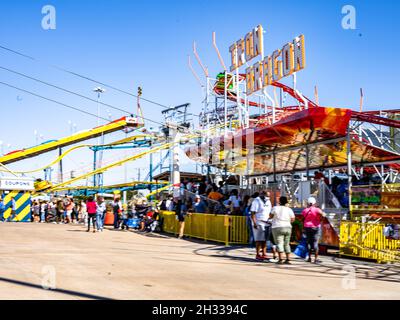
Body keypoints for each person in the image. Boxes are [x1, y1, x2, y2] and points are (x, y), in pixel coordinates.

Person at [270, 196, 295, 264]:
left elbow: (270, 216)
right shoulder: (289, 209)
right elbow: (293, 219)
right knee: (287, 244)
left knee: (279, 243)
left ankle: (281, 259)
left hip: (277, 227)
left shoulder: (275, 208)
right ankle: (288, 259)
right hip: (288, 227)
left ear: (279, 201)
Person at [302, 197, 326, 263]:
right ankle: (315, 259)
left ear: (308, 203)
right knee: (315, 243)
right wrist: (320, 220)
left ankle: (309, 258)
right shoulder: (317, 209)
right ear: (314, 203)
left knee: (309, 242)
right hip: (315, 227)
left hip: (307, 227)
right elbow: (323, 215)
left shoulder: (305, 210)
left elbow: (303, 218)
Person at [250, 191, 272, 261]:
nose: (268, 197)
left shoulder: (268, 201)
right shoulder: (256, 201)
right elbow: (253, 213)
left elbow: (269, 212)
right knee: (259, 240)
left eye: (269, 196)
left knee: (264, 240)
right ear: (262, 195)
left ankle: (264, 254)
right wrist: (254, 223)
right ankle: (257, 254)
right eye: (267, 195)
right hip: (258, 222)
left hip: (266, 223)